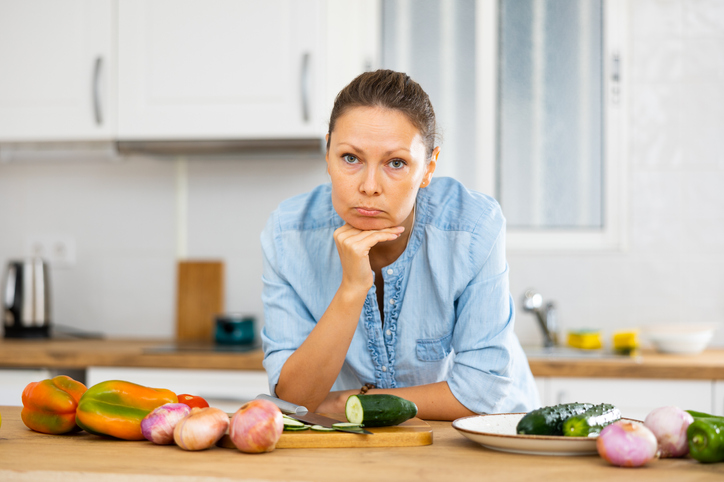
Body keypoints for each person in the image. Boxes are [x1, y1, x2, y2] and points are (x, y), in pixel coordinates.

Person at [260, 69, 539, 420]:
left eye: (396, 163)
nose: (370, 186)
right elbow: (294, 399)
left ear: (428, 167)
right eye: (351, 158)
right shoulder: (288, 235)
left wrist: (343, 403)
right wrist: (351, 288)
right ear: (327, 152)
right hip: (360, 442)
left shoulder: (473, 228)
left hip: (482, 436)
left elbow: (480, 394)